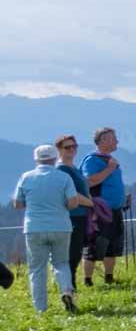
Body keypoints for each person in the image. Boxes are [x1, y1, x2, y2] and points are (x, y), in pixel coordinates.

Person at [13, 143, 88, 313]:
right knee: (61, 262)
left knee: (37, 268)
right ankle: (67, 290)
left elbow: (17, 204)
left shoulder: (26, 177)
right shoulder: (63, 178)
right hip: (61, 226)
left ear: (36, 159)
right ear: (55, 158)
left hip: (34, 227)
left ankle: (41, 309)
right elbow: (73, 203)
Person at [80, 127, 127, 286]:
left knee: (112, 244)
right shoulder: (92, 160)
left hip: (114, 209)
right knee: (94, 245)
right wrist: (109, 169)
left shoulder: (110, 159)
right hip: (99, 211)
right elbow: (90, 181)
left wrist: (123, 198)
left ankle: (109, 277)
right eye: (113, 138)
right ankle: (87, 280)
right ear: (102, 141)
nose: (117, 141)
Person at [51, 136, 91, 292]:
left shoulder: (73, 167)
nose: (72, 149)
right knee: (71, 253)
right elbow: (71, 193)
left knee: (76, 252)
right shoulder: (61, 169)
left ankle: (70, 285)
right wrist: (91, 203)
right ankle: (69, 286)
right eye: (67, 147)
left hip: (81, 214)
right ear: (59, 150)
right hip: (71, 215)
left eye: (74, 146)